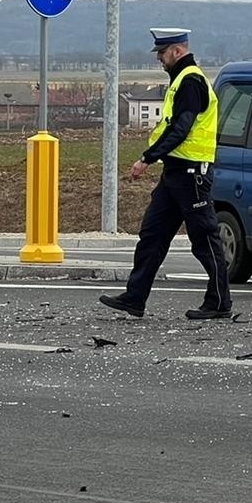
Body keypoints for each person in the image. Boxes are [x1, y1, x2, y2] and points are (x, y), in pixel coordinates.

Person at [99, 28, 231, 320]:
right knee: (152, 235)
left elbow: (181, 128)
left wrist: (148, 157)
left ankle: (220, 302)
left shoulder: (191, 80)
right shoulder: (180, 80)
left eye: (162, 53)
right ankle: (135, 298)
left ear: (177, 51)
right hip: (175, 173)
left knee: (204, 238)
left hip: (192, 174)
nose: (159, 59)